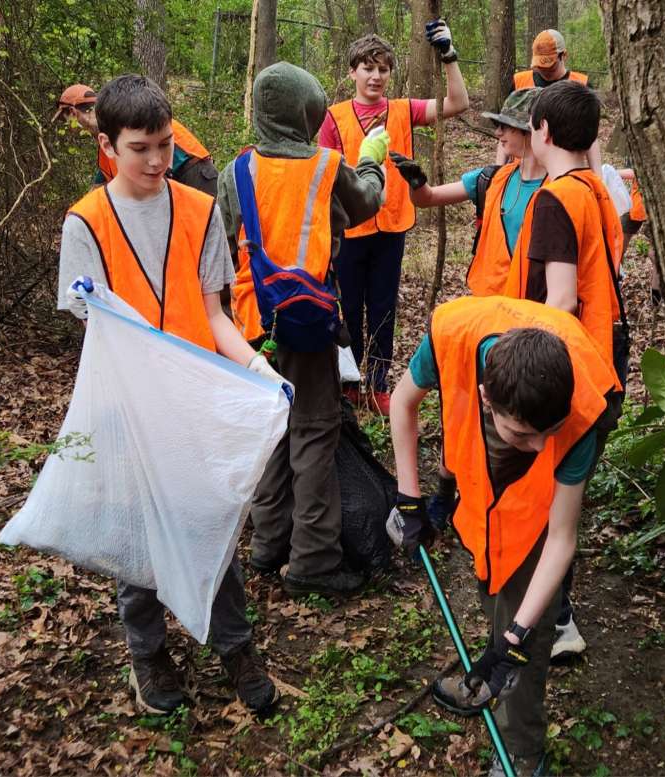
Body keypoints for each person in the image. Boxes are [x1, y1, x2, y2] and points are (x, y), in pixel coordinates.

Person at [55, 75, 281, 716]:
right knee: (142, 535)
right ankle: (148, 654)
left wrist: (257, 370)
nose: (156, 161)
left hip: (194, 401)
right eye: (140, 149)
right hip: (127, 406)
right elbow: (98, 327)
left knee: (209, 523)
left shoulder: (199, 209)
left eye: (162, 144)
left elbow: (214, 317)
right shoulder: (86, 223)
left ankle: (234, 646)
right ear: (106, 144)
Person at [388, 295, 619, 776]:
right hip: (500, 397)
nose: (537, 447)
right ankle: (505, 635)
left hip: (564, 412)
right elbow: (402, 402)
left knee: (524, 577)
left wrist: (515, 635)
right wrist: (410, 498)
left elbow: (561, 538)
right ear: (485, 396)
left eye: (544, 433)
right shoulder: (449, 336)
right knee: (491, 532)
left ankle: (521, 748)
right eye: (522, 436)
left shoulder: (575, 418)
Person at [219, 62, 387, 596]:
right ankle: (314, 559)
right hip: (309, 325)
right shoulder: (326, 165)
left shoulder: (235, 171)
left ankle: (269, 545)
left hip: (249, 328)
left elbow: (221, 246)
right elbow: (366, 205)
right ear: (307, 112)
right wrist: (373, 163)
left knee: (271, 432)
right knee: (314, 430)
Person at [503, 81, 628, 660]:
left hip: (568, 367)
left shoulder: (556, 198)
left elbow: (561, 299)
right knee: (561, 496)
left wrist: (527, 367)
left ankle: (553, 620)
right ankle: (554, 614)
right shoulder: (598, 190)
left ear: (543, 131)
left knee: (550, 499)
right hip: (604, 359)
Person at [319, 25, 470, 413]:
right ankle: (349, 384)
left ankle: (379, 385)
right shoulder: (333, 118)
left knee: (384, 309)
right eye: (367, 69)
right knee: (348, 308)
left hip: (392, 226)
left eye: (383, 69)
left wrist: (448, 55)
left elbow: (457, 103)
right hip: (350, 229)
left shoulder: (403, 110)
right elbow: (323, 173)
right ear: (352, 72)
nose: (375, 77)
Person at [392, 88, 545, 298]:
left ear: (530, 130)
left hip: (533, 306)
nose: (498, 133)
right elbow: (427, 198)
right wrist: (416, 182)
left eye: (506, 127)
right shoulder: (490, 178)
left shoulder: (559, 187)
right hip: (488, 302)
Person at [54, 82, 220, 196]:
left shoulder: (116, 119)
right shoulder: (106, 139)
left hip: (193, 171)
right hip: (172, 177)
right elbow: (102, 183)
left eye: (65, 119)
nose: (67, 127)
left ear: (73, 113)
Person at [497, 30, 600, 170]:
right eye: (540, 65)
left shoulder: (581, 85)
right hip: (523, 170)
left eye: (550, 65)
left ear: (563, 55)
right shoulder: (519, 81)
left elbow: (591, 138)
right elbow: (507, 127)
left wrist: (598, 175)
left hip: (563, 172)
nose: (544, 70)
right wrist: (498, 168)